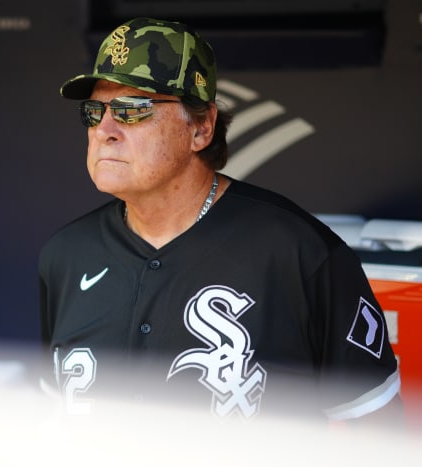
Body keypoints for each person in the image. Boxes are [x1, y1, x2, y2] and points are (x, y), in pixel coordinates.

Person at [38, 17, 403, 424]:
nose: (104, 129)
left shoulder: (301, 253)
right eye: (94, 110)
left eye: (132, 109)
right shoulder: (65, 256)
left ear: (201, 128)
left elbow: (374, 434)